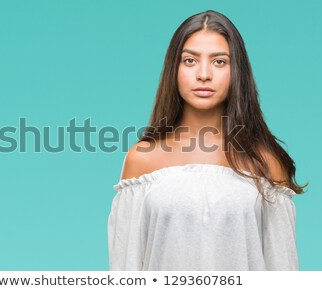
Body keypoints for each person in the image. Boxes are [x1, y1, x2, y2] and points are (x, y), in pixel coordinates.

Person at [107, 10, 308, 271]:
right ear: (174, 69)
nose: (203, 74)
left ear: (237, 71)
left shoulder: (265, 162)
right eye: (190, 60)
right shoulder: (143, 159)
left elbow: (284, 272)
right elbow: (125, 270)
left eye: (219, 62)